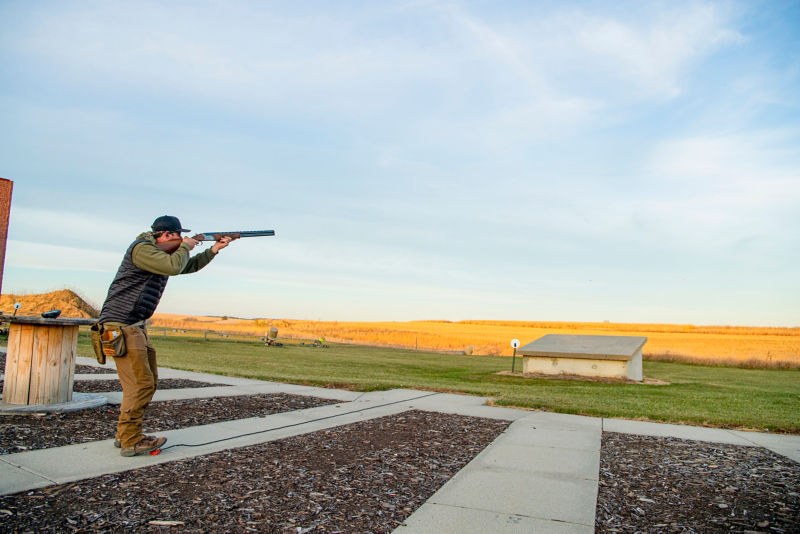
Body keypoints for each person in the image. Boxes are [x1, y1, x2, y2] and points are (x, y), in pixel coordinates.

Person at [97, 215, 232, 457]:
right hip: (123, 325)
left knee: (147, 382)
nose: (182, 239)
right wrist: (187, 246)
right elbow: (173, 266)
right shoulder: (142, 249)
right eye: (178, 236)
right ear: (168, 235)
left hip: (134, 324)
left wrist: (213, 249)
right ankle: (131, 440)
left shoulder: (158, 253)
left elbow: (184, 267)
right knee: (141, 385)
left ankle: (124, 435)